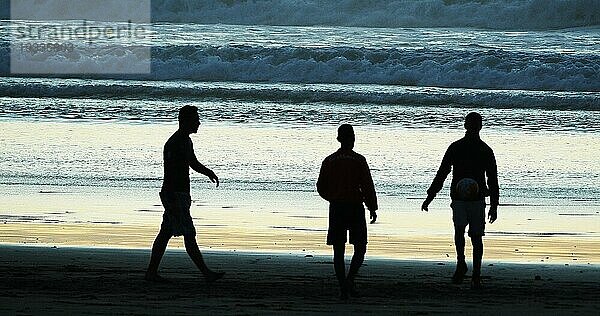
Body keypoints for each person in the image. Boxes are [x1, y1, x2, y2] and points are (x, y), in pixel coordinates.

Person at [145, 105, 224, 283]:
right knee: (189, 234)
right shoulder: (175, 142)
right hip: (174, 195)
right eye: (196, 119)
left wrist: (208, 172)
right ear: (186, 121)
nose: (199, 123)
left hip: (178, 195)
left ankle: (151, 272)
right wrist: (173, 199)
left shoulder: (186, 141)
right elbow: (173, 171)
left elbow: (192, 162)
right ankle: (206, 273)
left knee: (165, 232)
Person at [421, 112, 499, 289]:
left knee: (472, 235)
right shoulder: (459, 148)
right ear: (468, 126)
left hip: (476, 199)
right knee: (463, 233)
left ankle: (475, 273)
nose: (472, 127)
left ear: (478, 127)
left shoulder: (483, 150)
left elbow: (492, 179)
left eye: (474, 124)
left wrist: (494, 205)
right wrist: (430, 196)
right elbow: (442, 173)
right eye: (471, 124)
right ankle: (463, 265)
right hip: (460, 198)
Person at [317, 124, 378, 299]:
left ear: (338, 139)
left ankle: (344, 285)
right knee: (360, 247)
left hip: (337, 207)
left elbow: (321, 187)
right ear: (352, 139)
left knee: (338, 249)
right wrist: (372, 206)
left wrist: (333, 197)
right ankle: (349, 280)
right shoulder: (359, 160)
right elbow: (367, 186)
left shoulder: (329, 160)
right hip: (354, 207)